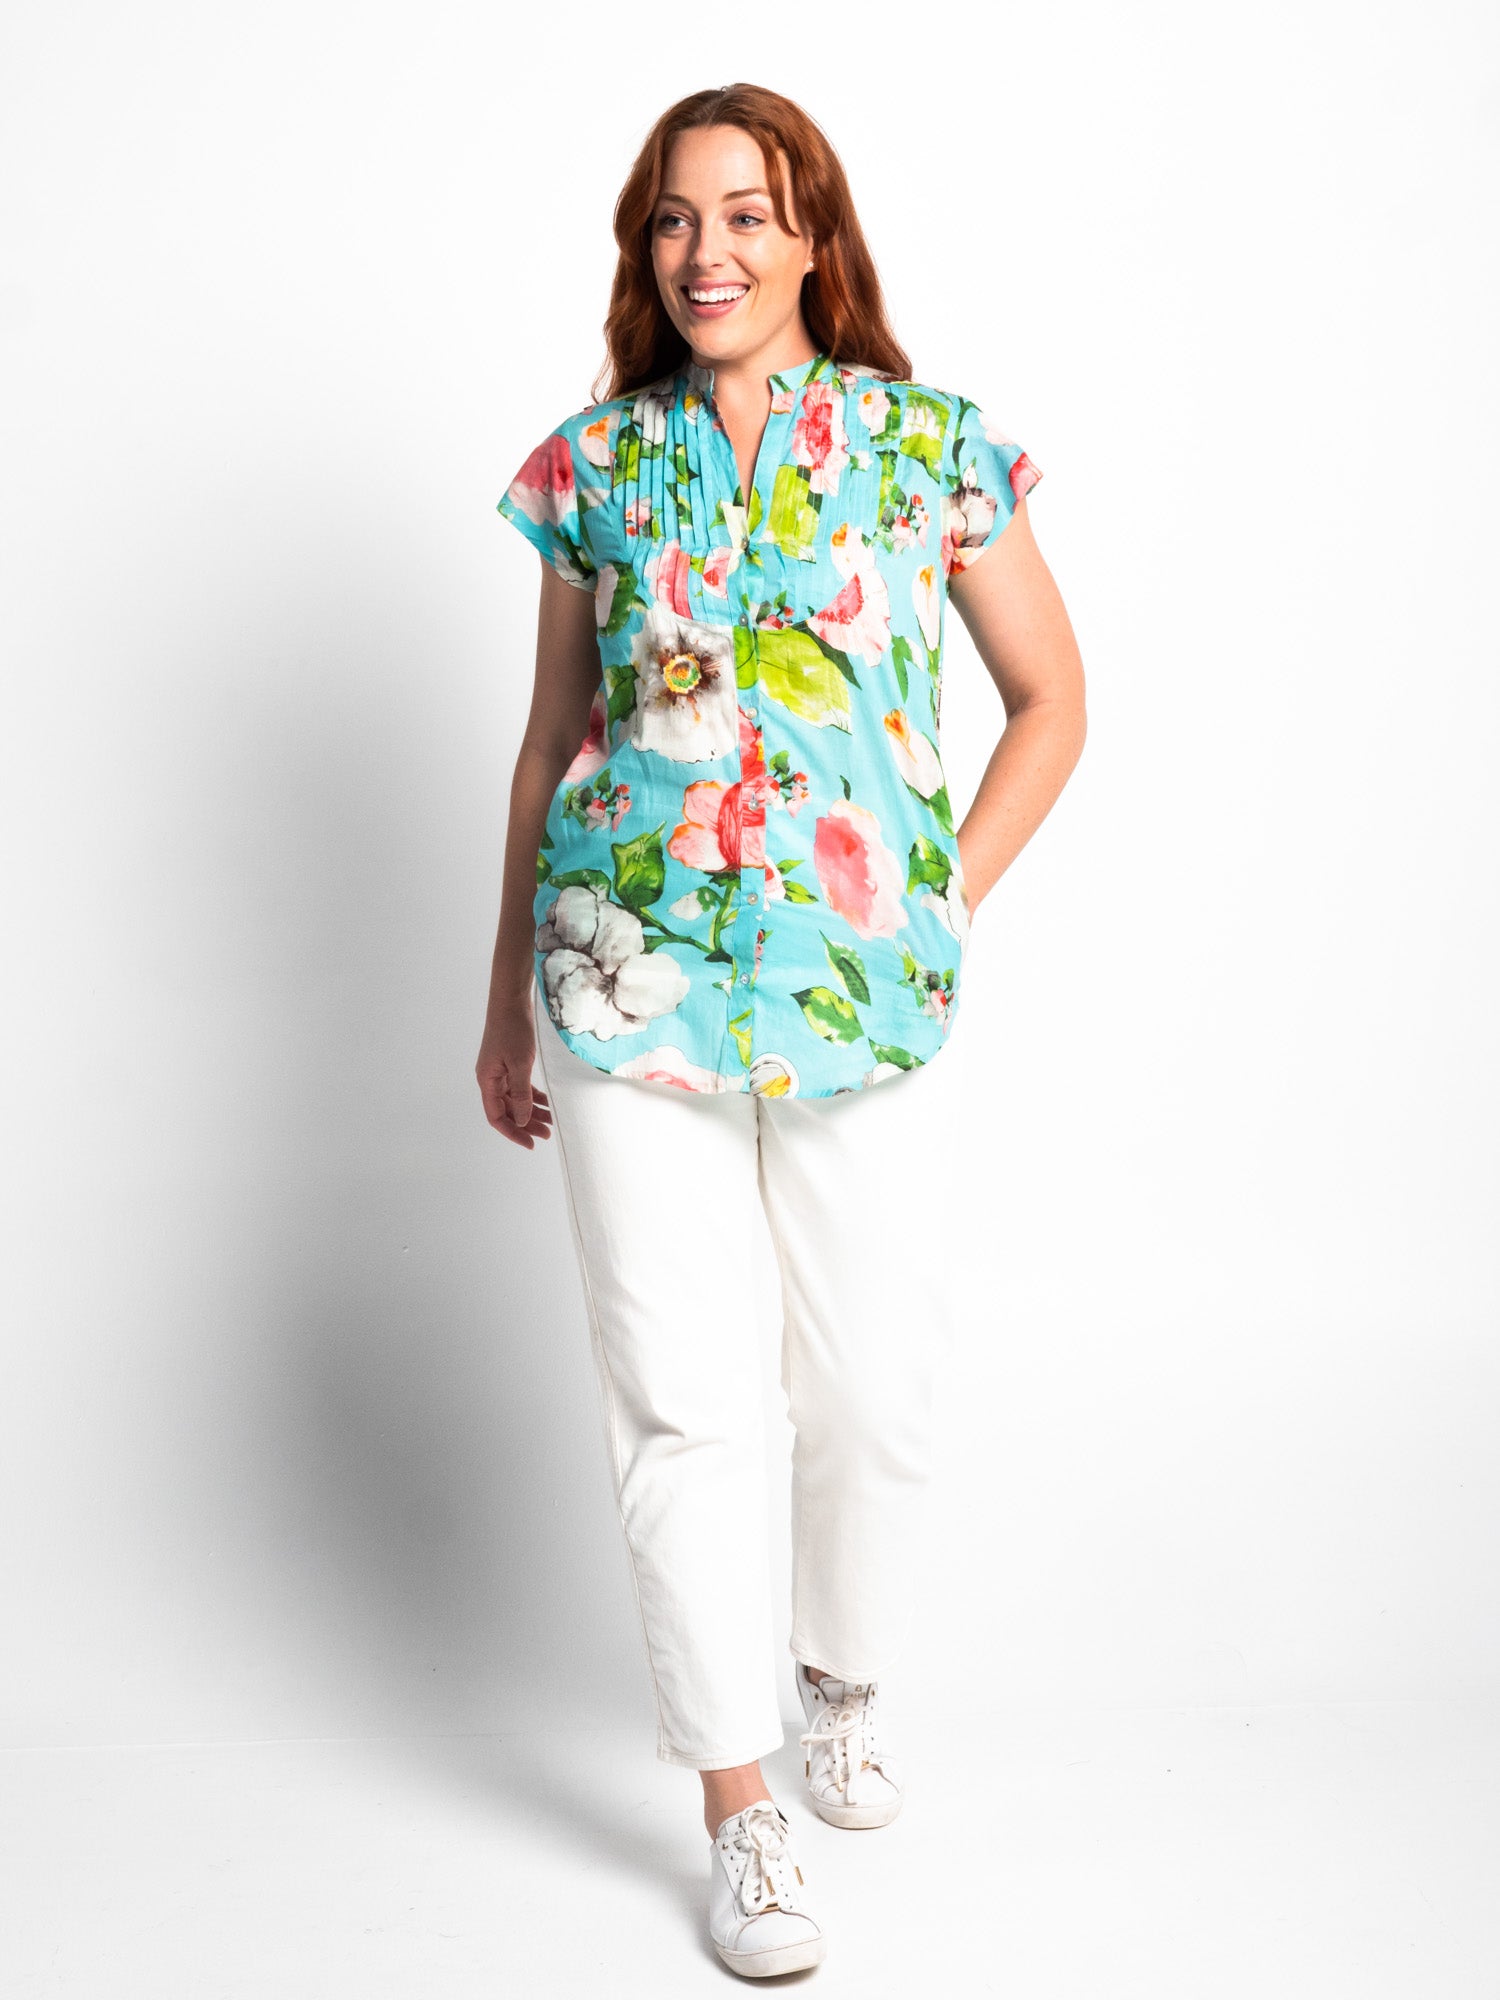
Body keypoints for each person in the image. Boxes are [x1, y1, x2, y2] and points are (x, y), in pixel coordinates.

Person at [477, 82, 1086, 1979]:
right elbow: (549, 744)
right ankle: (740, 1813)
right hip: (622, 983)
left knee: (877, 1390)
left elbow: (1053, 699)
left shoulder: (927, 448)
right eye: (675, 218)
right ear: (643, 248)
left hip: (861, 996)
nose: (707, 251)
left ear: (813, 235)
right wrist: (500, 1003)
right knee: (685, 1407)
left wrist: (939, 901)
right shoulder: (592, 467)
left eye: (746, 213)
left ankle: (840, 1678)